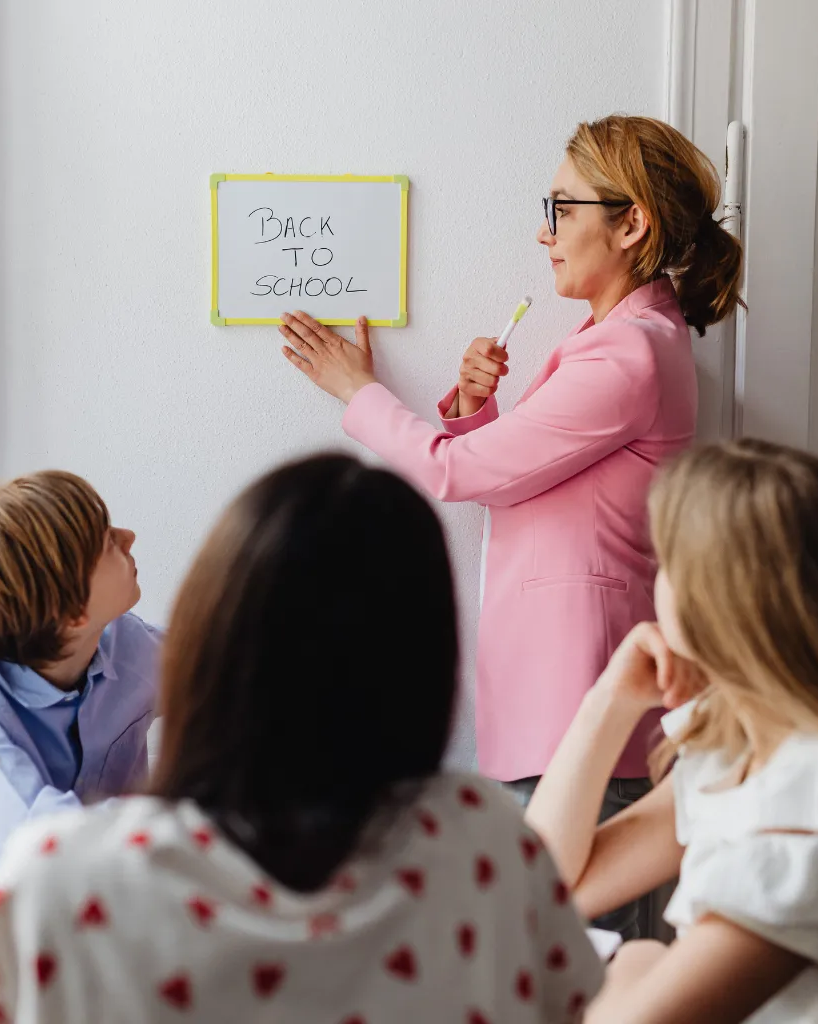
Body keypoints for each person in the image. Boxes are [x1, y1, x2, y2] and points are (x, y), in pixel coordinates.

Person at [279, 115, 743, 937]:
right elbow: (514, 481)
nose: (544, 232)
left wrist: (356, 392)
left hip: (581, 705)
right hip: (557, 702)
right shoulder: (614, 341)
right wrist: (476, 406)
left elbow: (459, 476)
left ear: (631, 222)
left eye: (561, 208)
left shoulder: (627, 355)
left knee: (576, 962)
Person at [0, 455, 602, 1023]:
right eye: (106, 543)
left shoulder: (60, 878)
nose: (129, 538)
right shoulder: (485, 837)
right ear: (429, 659)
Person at [526, 440, 818, 1023]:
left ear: (717, 602)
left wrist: (639, 968)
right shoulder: (735, 744)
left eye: (666, 565)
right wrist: (608, 703)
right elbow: (542, 888)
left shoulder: (809, 798)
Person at [0, 470, 162, 862]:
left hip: (121, 895)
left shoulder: (123, 640)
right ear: (72, 611)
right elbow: (45, 846)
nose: (128, 537)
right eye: (107, 542)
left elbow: (240, 676)